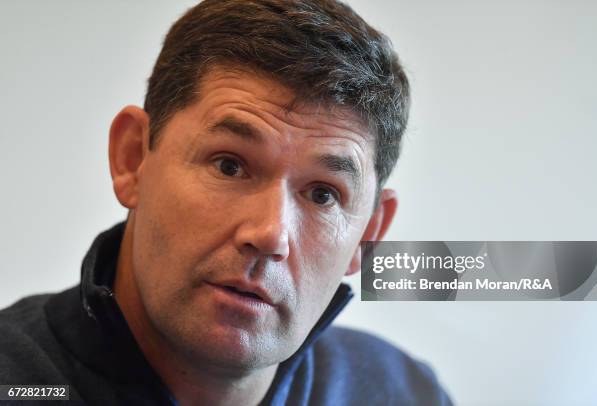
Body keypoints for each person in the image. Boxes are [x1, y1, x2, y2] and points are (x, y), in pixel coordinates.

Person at [0, 0, 453, 404]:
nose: (271, 234)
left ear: (368, 236)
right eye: (229, 166)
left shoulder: (403, 392)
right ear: (133, 157)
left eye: (322, 194)